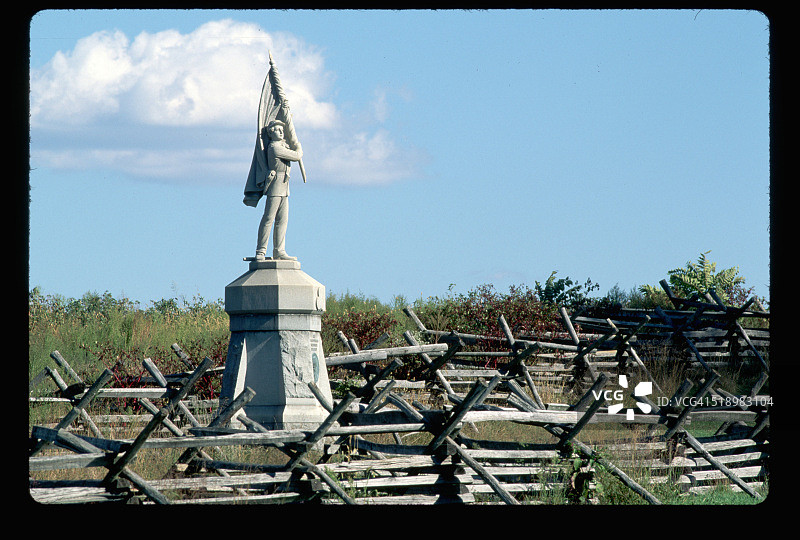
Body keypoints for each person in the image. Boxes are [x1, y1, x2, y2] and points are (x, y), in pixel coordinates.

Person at [250, 118, 303, 261]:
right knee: (268, 218)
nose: (280, 132)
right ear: (271, 133)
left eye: (281, 130)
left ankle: (279, 250)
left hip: (284, 186)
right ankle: (260, 251)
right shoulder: (275, 147)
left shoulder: (282, 146)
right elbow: (297, 156)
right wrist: (298, 147)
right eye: (277, 130)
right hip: (276, 185)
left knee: (282, 220)